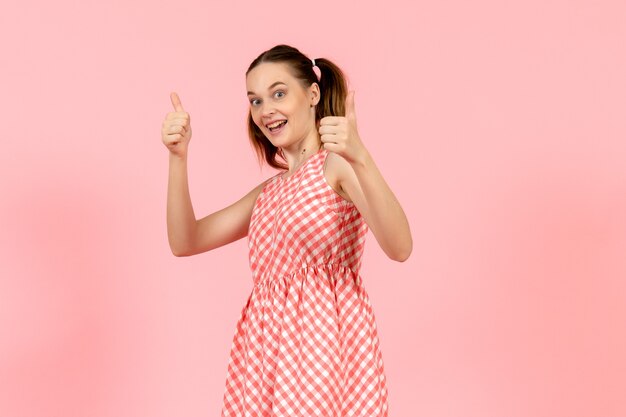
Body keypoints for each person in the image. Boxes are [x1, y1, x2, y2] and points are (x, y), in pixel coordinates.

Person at [161, 44, 412, 417]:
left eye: (279, 93)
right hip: (267, 354)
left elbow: (400, 246)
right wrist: (178, 158)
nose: (266, 111)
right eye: (255, 101)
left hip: (320, 346)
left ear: (312, 94)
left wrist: (360, 156)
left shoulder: (336, 167)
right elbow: (186, 241)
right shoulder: (269, 192)